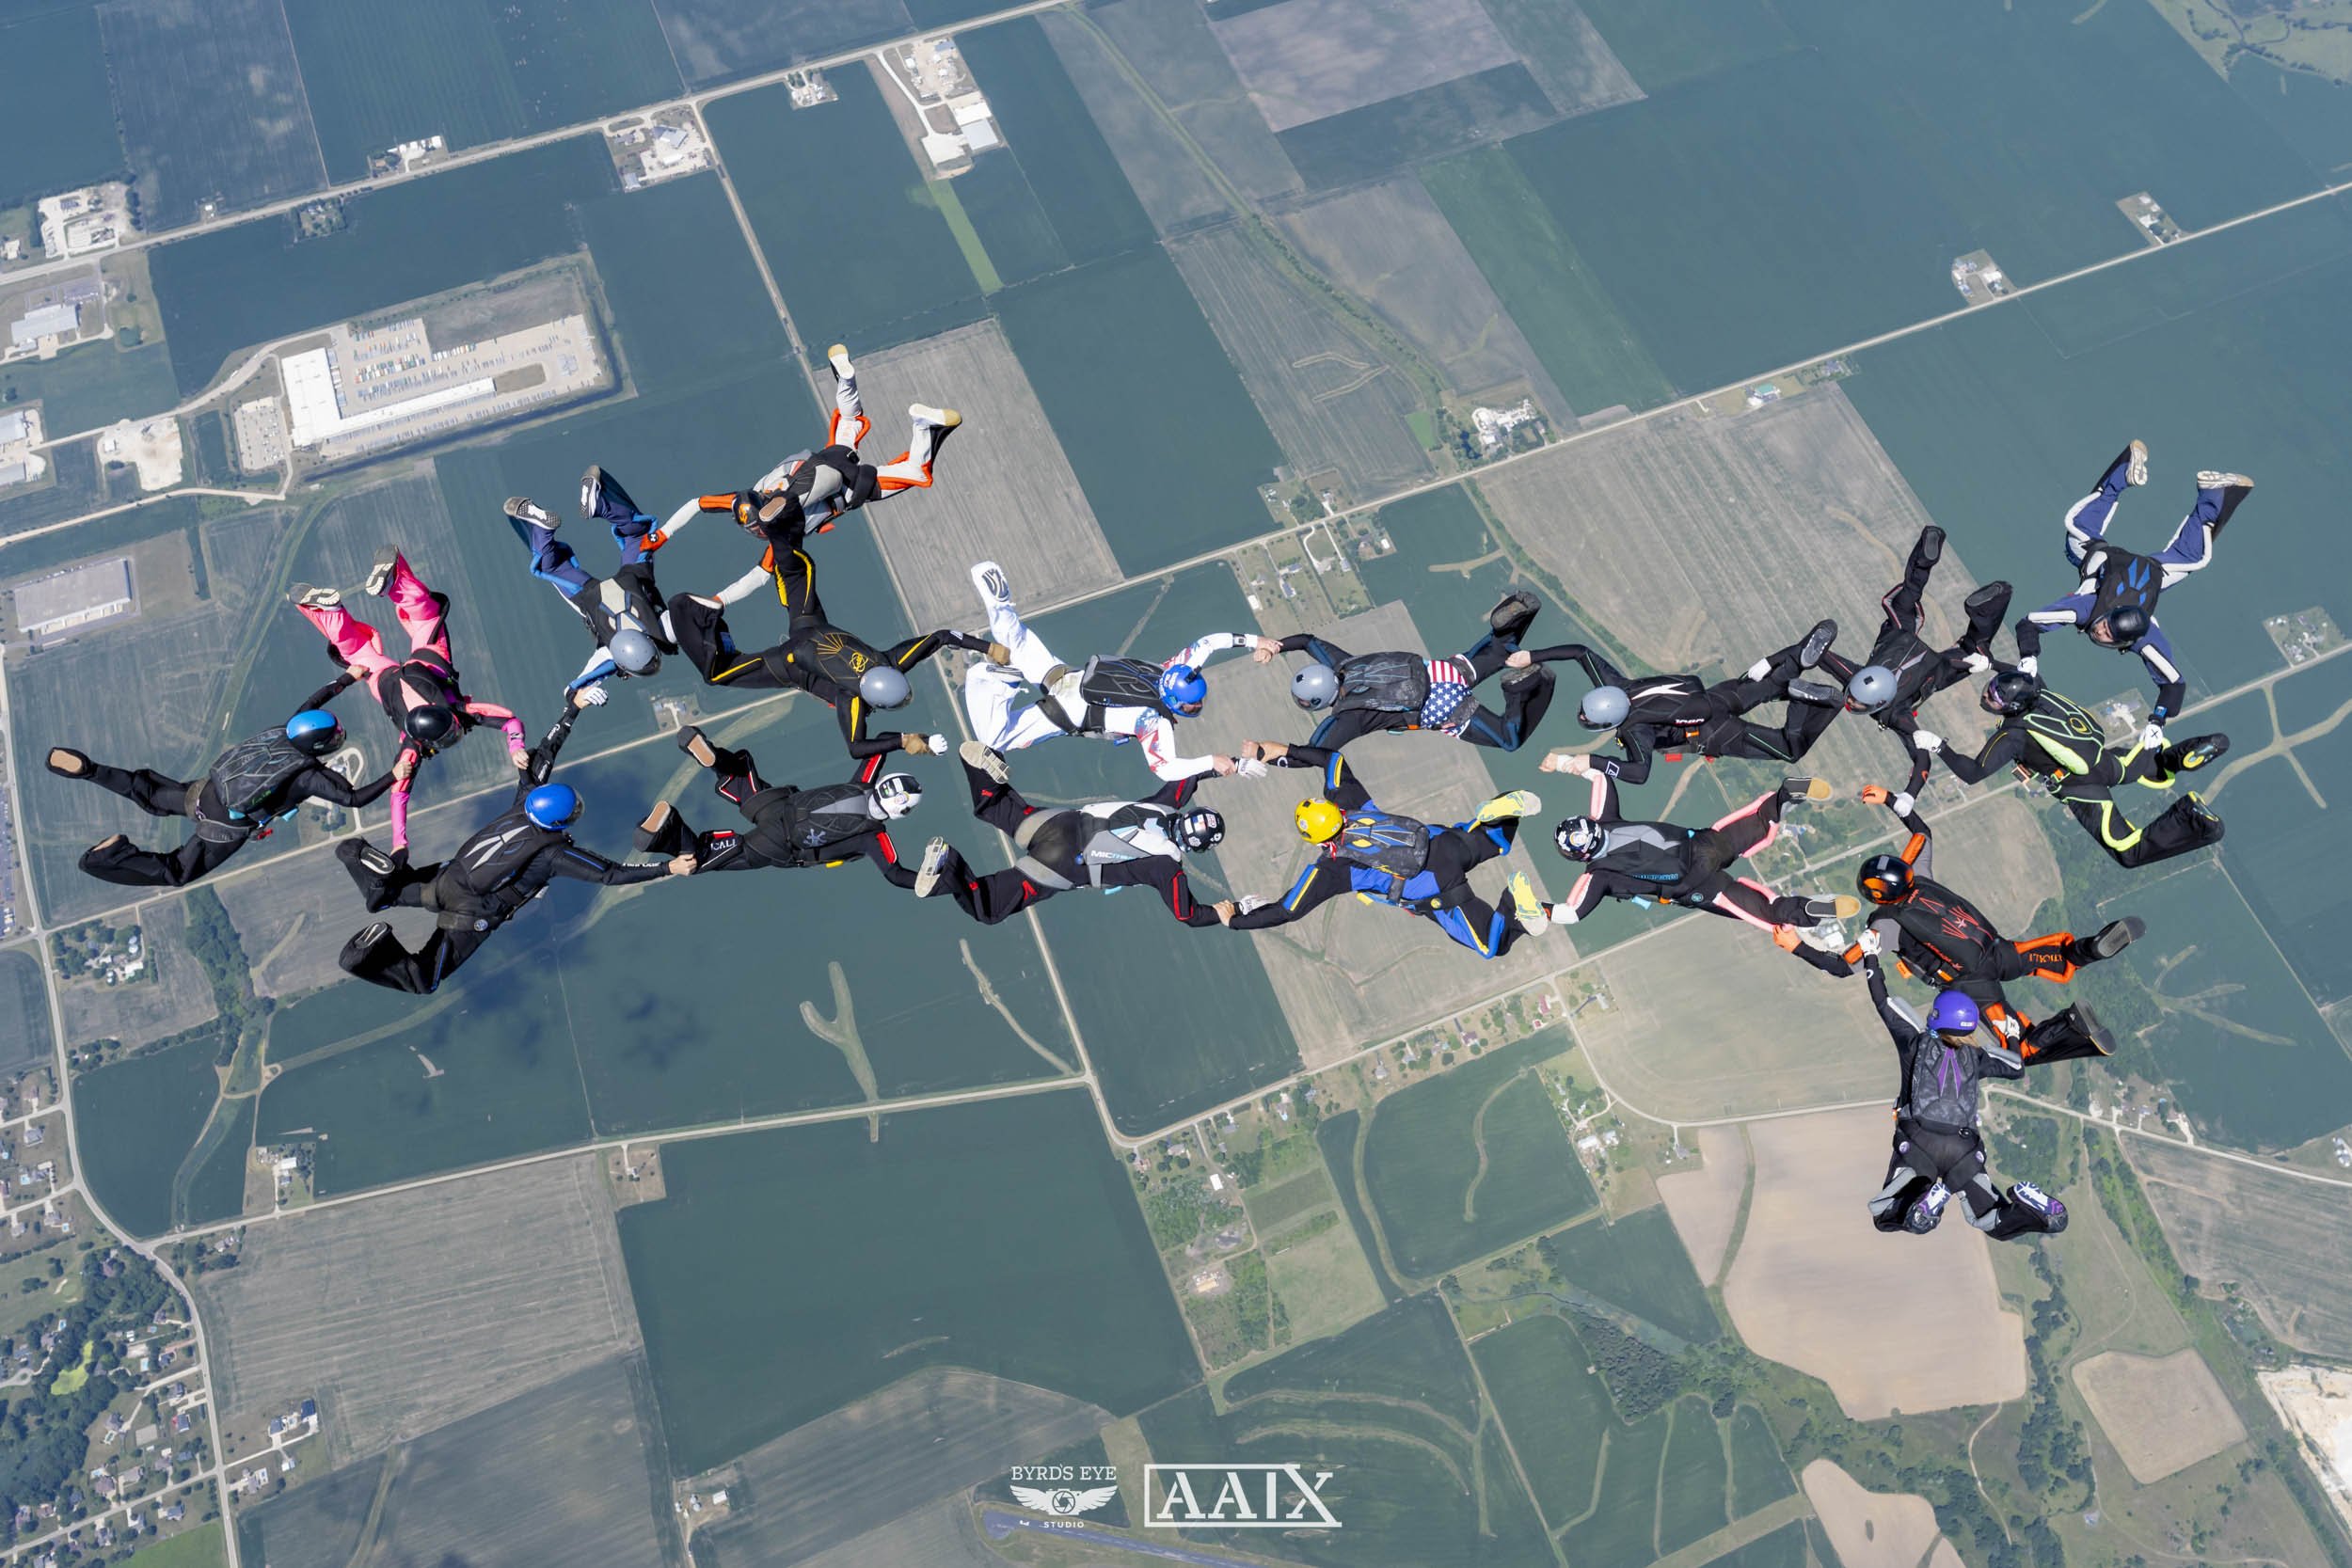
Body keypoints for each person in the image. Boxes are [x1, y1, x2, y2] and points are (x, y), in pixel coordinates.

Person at [335, 690, 691, 993]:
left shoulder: (527, 797)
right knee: (424, 980)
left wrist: (574, 708)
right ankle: (362, 956)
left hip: (446, 879)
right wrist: (668, 867)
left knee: (387, 896)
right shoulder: (554, 854)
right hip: (471, 912)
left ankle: (357, 858)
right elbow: (611, 874)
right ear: (559, 822)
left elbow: (547, 752)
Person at [1847, 782, 2142, 1049]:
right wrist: (1889, 798)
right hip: (1996, 949)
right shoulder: (1920, 875)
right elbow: (1921, 832)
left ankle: (2068, 1024)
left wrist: (1812, 943)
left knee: (2020, 1048)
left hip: (1970, 982)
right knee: (2060, 956)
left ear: (1876, 896)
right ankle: (2089, 950)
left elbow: (1843, 965)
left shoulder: (1886, 924)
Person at [1856, 930, 2101, 1241]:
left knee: (1886, 1217)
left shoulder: (1914, 1043)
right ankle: (2044, 1217)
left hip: (1920, 1138)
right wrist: (2011, 1036)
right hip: (1964, 1148)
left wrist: (1870, 955)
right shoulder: (1977, 1057)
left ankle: (1927, 1206)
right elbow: (2016, 1067)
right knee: (1991, 1221)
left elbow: (1883, 1001)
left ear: (1936, 1016)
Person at [666, 537, 993, 759]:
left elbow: (942, 636)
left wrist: (989, 648)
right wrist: (904, 740)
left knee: (799, 571)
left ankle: (779, 535)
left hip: (811, 628)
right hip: (790, 663)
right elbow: (856, 748)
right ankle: (694, 611)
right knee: (717, 674)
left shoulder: (891, 661)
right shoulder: (851, 699)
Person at [289, 547, 526, 853]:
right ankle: (330, 611)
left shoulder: (459, 712)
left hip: (428, 666)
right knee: (357, 651)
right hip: (385, 683)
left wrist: (516, 747)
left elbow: (509, 720)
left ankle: (393, 584)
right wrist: (398, 842)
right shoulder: (412, 742)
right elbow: (398, 796)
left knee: (427, 616)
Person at [1221, 740, 1548, 959]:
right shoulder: (1349, 802)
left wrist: (1234, 921)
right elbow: (1331, 759)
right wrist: (1274, 750)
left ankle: (1514, 904)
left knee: (1491, 944)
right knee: (1494, 839)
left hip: (1437, 887)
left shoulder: (1333, 869)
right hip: (1442, 842)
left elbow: (1286, 911)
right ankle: (1497, 810)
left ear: (1316, 840)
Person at [48, 686, 397, 888]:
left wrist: (346, 679)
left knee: (151, 794)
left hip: (207, 792)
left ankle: (90, 771)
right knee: (176, 873)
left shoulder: (285, 730)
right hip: (225, 827)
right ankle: (103, 859)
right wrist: (396, 774)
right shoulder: (310, 775)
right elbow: (354, 798)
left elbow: (313, 702)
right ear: (319, 745)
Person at [2016, 441, 2253, 733]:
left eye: (2106, 633)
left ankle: (2213, 494)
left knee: (2190, 558)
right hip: (2106, 558)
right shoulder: (2090, 610)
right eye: (2105, 627)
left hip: (2153, 572)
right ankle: (2128, 477)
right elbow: (2029, 623)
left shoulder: (2144, 634)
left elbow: (2175, 684)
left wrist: (2158, 720)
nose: (2099, 631)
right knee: (2078, 532)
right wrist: (2028, 655)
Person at [1537, 766, 1855, 972]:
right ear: (1589, 823)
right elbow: (1600, 776)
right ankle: (1788, 794)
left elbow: (1571, 913)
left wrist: (1535, 909)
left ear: (1579, 855)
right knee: (1759, 820)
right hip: (1703, 845)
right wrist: (1564, 762)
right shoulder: (1606, 819)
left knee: (1769, 913)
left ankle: (1813, 910)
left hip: (1700, 887)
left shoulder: (1599, 875)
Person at [963, 561, 1258, 783]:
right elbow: (1166, 770)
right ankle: (996, 681)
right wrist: (1210, 761)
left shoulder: (1171, 669)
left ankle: (1000, 604)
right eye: (1193, 703)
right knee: (996, 741)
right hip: (1067, 712)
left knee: (1017, 643)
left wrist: (1259, 642)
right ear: (1175, 702)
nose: (1198, 705)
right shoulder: (1154, 721)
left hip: (1072, 678)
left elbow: (1209, 642)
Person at [1915, 667, 2226, 868]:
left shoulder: (2012, 735)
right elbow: (2025, 674)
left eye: (1995, 696)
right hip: (2103, 761)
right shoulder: (2040, 696)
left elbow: (1972, 773)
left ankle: (2190, 816)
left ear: (2012, 706)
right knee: (2151, 767)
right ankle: (2187, 753)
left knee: (2128, 852)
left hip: (2079, 788)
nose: (1987, 695)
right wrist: (1991, 663)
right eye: (1991, 688)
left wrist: (1939, 746)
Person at [910, 742, 1232, 926]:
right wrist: (1221, 914)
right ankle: (947, 865)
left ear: (1188, 815)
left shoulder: (1163, 806)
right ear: (1198, 846)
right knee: (988, 907)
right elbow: (1187, 914)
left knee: (994, 806)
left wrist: (1225, 765)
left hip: (1059, 823)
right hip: (1063, 865)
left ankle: (981, 768)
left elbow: (1186, 778)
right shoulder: (1166, 866)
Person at [1528, 620, 1842, 785]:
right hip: (1714, 697)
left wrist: (1591, 761)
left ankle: (1802, 700)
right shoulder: (1618, 686)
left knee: (1788, 750)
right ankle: (1794, 657)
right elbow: (1580, 652)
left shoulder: (1635, 730)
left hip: (1713, 733)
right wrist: (1531, 656)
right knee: (1769, 684)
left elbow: (1638, 774)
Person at [1263, 591, 1555, 750]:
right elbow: (1308, 641)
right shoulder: (1342, 664)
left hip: (1446, 708)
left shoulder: (1349, 718)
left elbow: (1314, 753)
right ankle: (1518, 611)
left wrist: (1266, 754)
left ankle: (1518, 689)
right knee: (1500, 650)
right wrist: (1275, 647)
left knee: (1508, 739)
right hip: (1442, 672)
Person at [633, 725, 926, 882]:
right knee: (701, 858)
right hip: (779, 844)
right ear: (901, 811)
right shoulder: (874, 837)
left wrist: (906, 741)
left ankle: (716, 759)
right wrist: (928, 881)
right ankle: (669, 828)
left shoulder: (863, 781)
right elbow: (895, 874)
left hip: (781, 804)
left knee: (741, 776)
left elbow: (880, 743)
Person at [1813, 525, 2011, 750]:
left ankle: (1991, 604)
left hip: (1934, 669)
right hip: (1897, 641)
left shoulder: (1893, 715)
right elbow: (1819, 655)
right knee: (1906, 598)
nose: (1850, 701)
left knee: (1974, 650)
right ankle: (1925, 560)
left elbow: (1916, 745)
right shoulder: (1854, 678)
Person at [501, 467, 681, 693]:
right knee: (553, 567)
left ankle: (601, 504)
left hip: (633, 578)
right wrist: (575, 701)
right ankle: (541, 531)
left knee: (636, 534)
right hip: (589, 597)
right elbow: (575, 687)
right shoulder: (608, 655)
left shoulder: (665, 631)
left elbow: (696, 611)